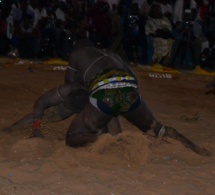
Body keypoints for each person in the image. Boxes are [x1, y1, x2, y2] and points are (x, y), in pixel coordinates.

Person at [62, 38, 210, 156]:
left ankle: (105, 139)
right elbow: (133, 79)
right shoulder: (113, 55)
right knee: (157, 128)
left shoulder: (77, 54)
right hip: (129, 93)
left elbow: (69, 84)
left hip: (105, 94)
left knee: (72, 137)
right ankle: (195, 148)